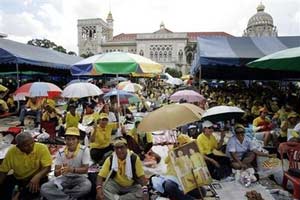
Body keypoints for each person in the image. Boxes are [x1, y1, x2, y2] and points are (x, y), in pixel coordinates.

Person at [41, 127, 91, 200]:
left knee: (87, 186)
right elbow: (56, 173)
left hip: (80, 178)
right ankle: (69, 198)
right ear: (65, 140)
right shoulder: (60, 152)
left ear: (78, 141)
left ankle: (60, 195)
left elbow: (85, 170)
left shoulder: (84, 150)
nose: (70, 142)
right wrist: (61, 171)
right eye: (68, 139)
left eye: (73, 139)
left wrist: (71, 169)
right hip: (64, 178)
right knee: (44, 187)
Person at [0, 132, 52, 200]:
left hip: (37, 178)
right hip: (19, 178)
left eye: (32, 143)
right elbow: (3, 171)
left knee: (27, 195)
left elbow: (48, 167)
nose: (31, 146)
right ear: (18, 146)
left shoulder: (42, 148)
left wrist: (37, 177)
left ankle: (20, 194)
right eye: (26, 145)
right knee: (4, 190)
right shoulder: (12, 152)